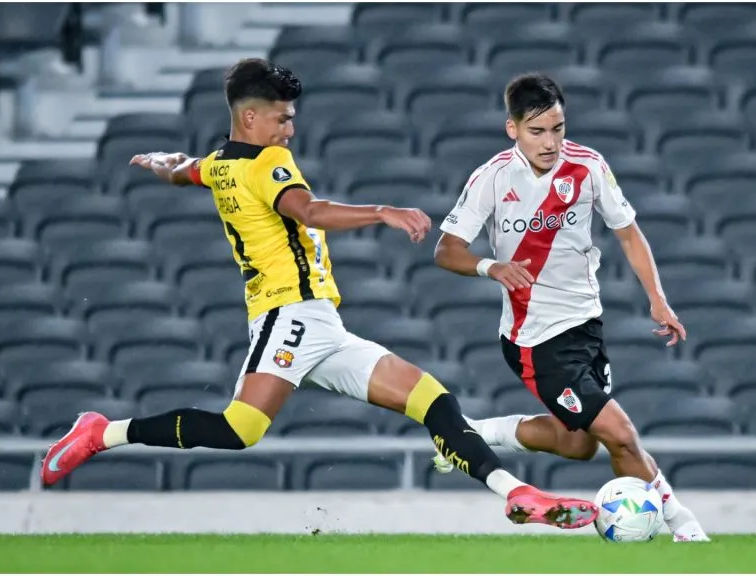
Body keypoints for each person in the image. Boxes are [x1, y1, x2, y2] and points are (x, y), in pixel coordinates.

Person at [39, 58, 599, 530]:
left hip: (321, 325)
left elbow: (185, 169)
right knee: (239, 429)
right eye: (282, 118)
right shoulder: (267, 162)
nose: (289, 130)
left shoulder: (220, 164)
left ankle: (517, 493)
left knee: (431, 399)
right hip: (287, 315)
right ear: (251, 117)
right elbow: (307, 210)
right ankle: (103, 432)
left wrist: (161, 161)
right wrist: (381, 211)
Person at [430, 73, 710, 541]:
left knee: (577, 444)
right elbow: (446, 250)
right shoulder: (491, 178)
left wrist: (658, 300)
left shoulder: (589, 166)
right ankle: (685, 527)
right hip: (535, 338)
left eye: (558, 128)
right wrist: (491, 267)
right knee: (621, 434)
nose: (550, 142)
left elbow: (629, 234)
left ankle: (472, 431)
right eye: (537, 131)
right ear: (512, 129)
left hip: (586, 326)